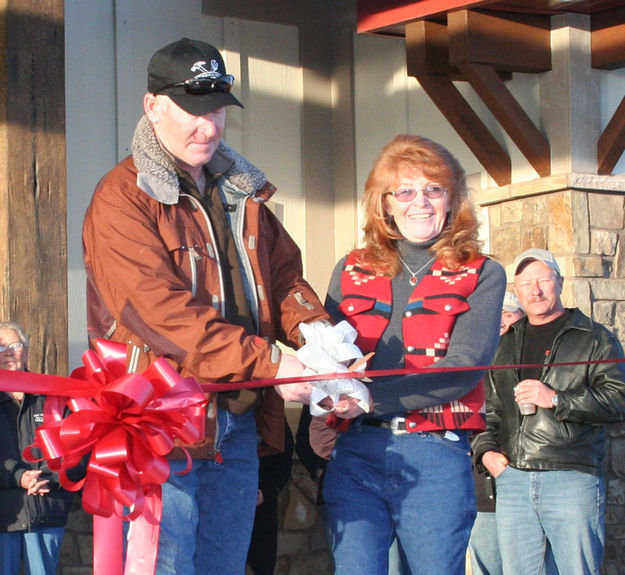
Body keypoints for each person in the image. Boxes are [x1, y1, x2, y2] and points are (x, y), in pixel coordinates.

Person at [82, 38, 331, 575]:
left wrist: (322, 341)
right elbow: (160, 313)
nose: (208, 126)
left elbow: (287, 278)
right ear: (153, 106)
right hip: (158, 428)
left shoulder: (244, 193)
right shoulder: (121, 197)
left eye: (217, 109)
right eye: (192, 110)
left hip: (238, 427)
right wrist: (271, 363)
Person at [316, 134, 506, 574]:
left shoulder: (484, 273)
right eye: (405, 191)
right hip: (357, 452)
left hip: (434, 456)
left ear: (451, 199)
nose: (419, 202)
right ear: (384, 203)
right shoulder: (350, 268)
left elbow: (463, 369)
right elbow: (327, 357)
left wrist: (366, 398)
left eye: (433, 190)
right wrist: (321, 407)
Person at [472, 248, 625, 575]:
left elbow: (618, 400)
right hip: (513, 477)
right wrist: (485, 452)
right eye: (526, 283)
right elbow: (489, 409)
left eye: (543, 280)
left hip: (571, 474)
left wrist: (556, 399)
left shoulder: (594, 338)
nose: (535, 290)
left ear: (561, 283)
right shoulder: (505, 343)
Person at [0, 321, 76, 574]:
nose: (8, 352)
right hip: (3, 516)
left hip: (46, 510)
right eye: (0, 347)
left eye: (15, 345)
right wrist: (19, 476)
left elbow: (76, 448)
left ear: (28, 351)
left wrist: (49, 479)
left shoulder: (52, 398)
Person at [468, 292, 524, 575]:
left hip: (526, 485)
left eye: (509, 314)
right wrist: (485, 451)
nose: (501, 322)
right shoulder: (472, 363)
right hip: (484, 490)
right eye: (496, 314)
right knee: (486, 564)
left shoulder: (532, 362)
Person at [246, 419, 294, 575]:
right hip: (226, 507)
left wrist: (266, 493)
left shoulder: (273, 418)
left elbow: (283, 463)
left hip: (263, 510)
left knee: (263, 564)